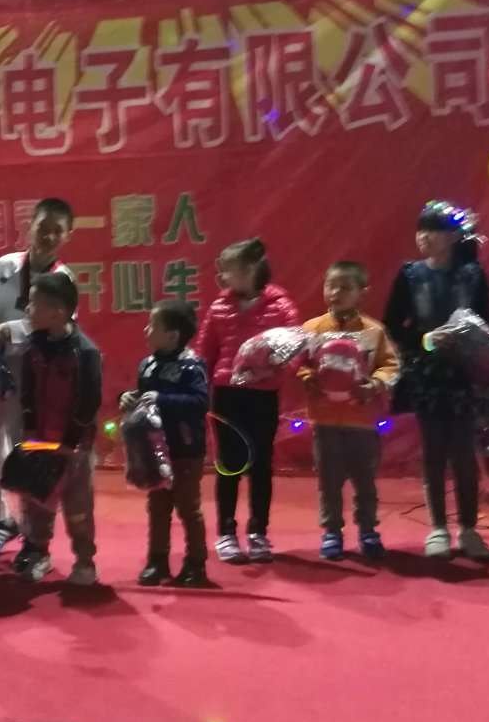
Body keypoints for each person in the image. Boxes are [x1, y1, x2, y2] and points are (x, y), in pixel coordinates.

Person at [383, 202, 489, 560]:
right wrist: (426, 340)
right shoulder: (410, 275)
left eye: (432, 230)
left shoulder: (472, 275)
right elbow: (392, 324)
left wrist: (467, 342)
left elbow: (487, 324)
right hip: (427, 374)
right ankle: (438, 528)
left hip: (464, 375)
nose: (424, 237)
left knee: (464, 454)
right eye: (421, 230)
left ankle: (469, 528)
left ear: (453, 236)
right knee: (433, 452)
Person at [0, 198, 74, 561]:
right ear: (31, 226)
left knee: (27, 449)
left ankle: (30, 531)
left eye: (57, 231)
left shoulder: (64, 279)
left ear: (67, 235)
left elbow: (59, 323)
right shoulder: (5, 265)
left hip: (36, 373)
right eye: (43, 227)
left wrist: (10, 331)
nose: (49, 236)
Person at [194, 238, 299, 564]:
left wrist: (271, 368)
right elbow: (204, 354)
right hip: (227, 396)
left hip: (262, 396)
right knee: (228, 465)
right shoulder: (218, 308)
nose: (223, 278)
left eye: (228, 270)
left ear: (250, 269)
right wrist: (199, 390)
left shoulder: (281, 306)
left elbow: (295, 349)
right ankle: (226, 532)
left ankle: (258, 532)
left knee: (261, 465)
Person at [299, 262, 401, 561]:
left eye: (345, 287)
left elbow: (390, 365)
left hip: (362, 421)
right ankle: (332, 531)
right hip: (325, 419)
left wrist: (374, 385)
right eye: (331, 286)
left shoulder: (374, 331)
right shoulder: (312, 329)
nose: (336, 292)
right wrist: (308, 378)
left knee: (364, 480)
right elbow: (300, 363)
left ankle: (368, 530)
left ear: (362, 293)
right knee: (328, 481)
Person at [10, 272, 103, 584]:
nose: (28, 310)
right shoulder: (32, 347)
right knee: (36, 501)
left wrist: (71, 442)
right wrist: (29, 432)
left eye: (34, 304)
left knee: (78, 507)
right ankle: (38, 553)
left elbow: (89, 402)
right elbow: (27, 394)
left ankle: (85, 561)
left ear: (57, 312)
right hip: (40, 441)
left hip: (74, 446)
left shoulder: (85, 352)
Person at [122, 300, 208, 587]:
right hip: (154, 450)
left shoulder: (191, 366)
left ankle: (195, 564)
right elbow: (144, 398)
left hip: (185, 450)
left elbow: (200, 402)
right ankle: (157, 561)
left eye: (152, 326)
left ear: (172, 335)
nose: (146, 331)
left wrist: (163, 399)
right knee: (157, 507)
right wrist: (129, 399)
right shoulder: (147, 365)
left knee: (188, 508)